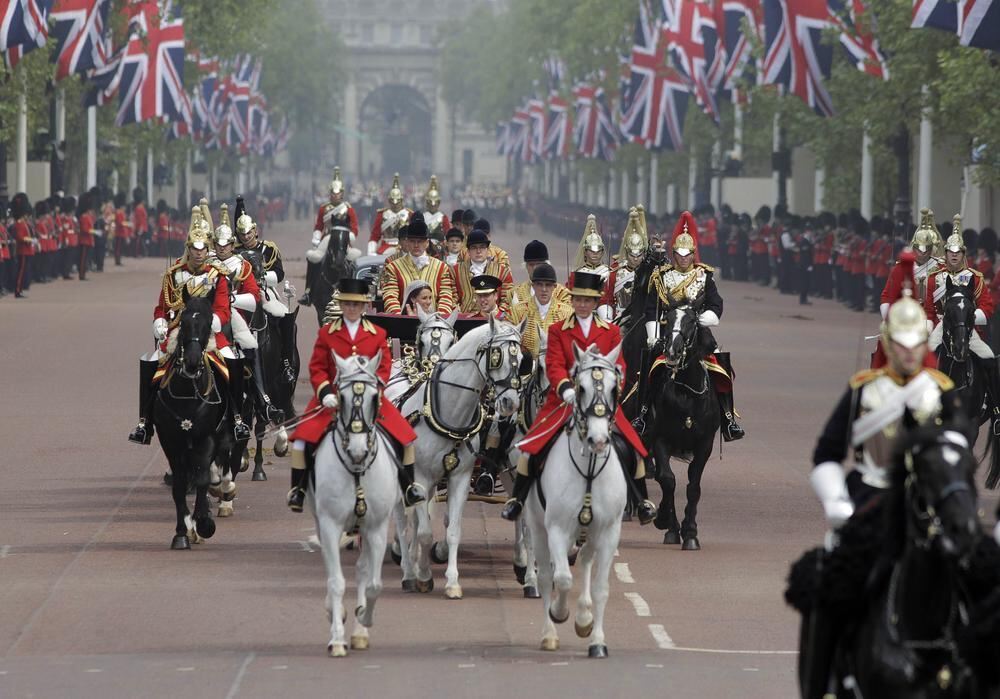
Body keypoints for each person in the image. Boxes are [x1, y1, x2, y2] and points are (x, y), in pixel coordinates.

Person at [806, 276, 958, 695]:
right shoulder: (864, 390)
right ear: (888, 343)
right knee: (832, 590)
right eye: (902, 344)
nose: (909, 354)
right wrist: (837, 501)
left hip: (928, 503)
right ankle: (823, 683)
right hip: (871, 498)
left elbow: (955, 455)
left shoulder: (941, 392)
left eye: (917, 344)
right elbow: (826, 455)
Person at [501, 271, 655, 523]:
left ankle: (641, 500)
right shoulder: (558, 330)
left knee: (633, 448)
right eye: (578, 300)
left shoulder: (612, 332)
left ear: (595, 304)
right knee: (530, 448)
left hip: (600, 402)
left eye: (587, 300)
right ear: (572, 301)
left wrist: (611, 391)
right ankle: (517, 500)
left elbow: (620, 367)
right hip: (563, 402)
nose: (582, 305)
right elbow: (553, 365)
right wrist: (566, 389)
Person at [286, 278, 427, 512]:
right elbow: (317, 368)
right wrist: (325, 393)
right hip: (333, 399)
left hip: (370, 398)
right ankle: (298, 490)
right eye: (347, 304)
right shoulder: (327, 333)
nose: (351, 309)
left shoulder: (378, 334)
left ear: (364, 307)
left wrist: (374, 390)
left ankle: (408, 486)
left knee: (406, 438)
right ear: (341, 305)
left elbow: (384, 366)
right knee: (301, 441)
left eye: (356, 304)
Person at [127, 207, 250, 445]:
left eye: (203, 248)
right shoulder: (173, 275)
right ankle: (144, 423)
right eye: (195, 248)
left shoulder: (218, 276)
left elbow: (223, 309)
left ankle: (236, 419)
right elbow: (162, 306)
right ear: (188, 248)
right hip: (177, 332)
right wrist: (160, 322)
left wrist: (211, 323)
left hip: (209, 334)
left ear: (208, 250)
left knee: (232, 363)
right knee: (151, 362)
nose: (199, 253)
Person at [643, 211, 745, 442]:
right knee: (647, 367)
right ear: (673, 253)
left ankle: (728, 418)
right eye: (679, 254)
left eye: (687, 254)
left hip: (697, 333)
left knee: (721, 366)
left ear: (693, 253)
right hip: (668, 332)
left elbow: (715, 303)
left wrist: (705, 318)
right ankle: (643, 413)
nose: (683, 258)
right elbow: (652, 308)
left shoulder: (704, 275)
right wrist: (653, 335)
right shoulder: (661, 276)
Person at [300, 167, 359, 306]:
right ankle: (309, 291)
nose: (335, 196)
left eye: (337, 193)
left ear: (342, 194)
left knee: (353, 261)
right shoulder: (323, 208)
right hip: (327, 239)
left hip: (343, 239)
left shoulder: (348, 208)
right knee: (314, 259)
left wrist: (349, 237)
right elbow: (319, 225)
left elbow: (354, 227)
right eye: (333, 193)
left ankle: (355, 290)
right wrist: (316, 238)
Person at [381, 212, 456, 314]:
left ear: (427, 243)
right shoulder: (393, 267)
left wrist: (438, 319)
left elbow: (446, 296)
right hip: (404, 322)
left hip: (434, 322)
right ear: (407, 242)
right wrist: (401, 318)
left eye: (420, 241)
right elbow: (390, 297)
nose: (416, 245)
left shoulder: (441, 267)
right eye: (412, 241)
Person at [507, 262, 573, 360]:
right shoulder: (518, 311)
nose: (544, 289)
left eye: (548, 285)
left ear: (554, 287)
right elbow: (508, 341)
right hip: (525, 368)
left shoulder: (567, 313)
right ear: (533, 286)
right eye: (539, 285)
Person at [599, 207, 648, 321]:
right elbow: (606, 299)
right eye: (632, 255)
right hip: (620, 318)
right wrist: (608, 319)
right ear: (627, 252)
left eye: (639, 255)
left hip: (642, 318)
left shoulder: (649, 273)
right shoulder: (615, 272)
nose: (635, 259)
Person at [453, 229, 513, 315]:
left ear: (488, 250)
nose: (478, 251)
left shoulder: (503, 271)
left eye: (482, 247)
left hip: (493, 320)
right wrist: (459, 316)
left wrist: (498, 316)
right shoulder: (455, 271)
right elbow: (452, 297)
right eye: (474, 247)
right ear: (468, 251)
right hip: (464, 321)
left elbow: (507, 299)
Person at [507, 240, 570, 309]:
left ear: (547, 264)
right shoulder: (514, 293)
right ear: (526, 266)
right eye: (531, 265)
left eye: (538, 264)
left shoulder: (562, 293)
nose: (535, 268)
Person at [367, 173, 411, 256]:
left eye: (397, 201)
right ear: (389, 201)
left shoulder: (409, 214)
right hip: (386, 247)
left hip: (406, 247)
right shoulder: (382, 214)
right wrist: (371, 252)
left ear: (401, 200)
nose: (395, 204)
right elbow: (375, 236)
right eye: (392, 201)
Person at [567, 214, 611, 292]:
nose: (595, 253)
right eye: (592, 251)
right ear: (585, 252)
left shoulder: (609, 272)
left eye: (598, 251)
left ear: (602, 252)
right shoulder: (578, 273)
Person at [11, 193, 35, 299]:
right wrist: (31, 240)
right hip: (22, 250)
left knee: (23, 270)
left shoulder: (24, 223)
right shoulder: (19, 223)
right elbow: (20, 237)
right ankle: (17, 290)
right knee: (20, 271)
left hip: (27, 250)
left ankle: (20, 289)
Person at [422, 175, 450, 253]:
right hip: (424, 247)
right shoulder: (422, 217)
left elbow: (447, 235)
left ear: (438, 202)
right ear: (427, 202)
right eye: (430, 202)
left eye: (435, 203)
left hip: (439, 248)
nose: (433, 205)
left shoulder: (443, 217)